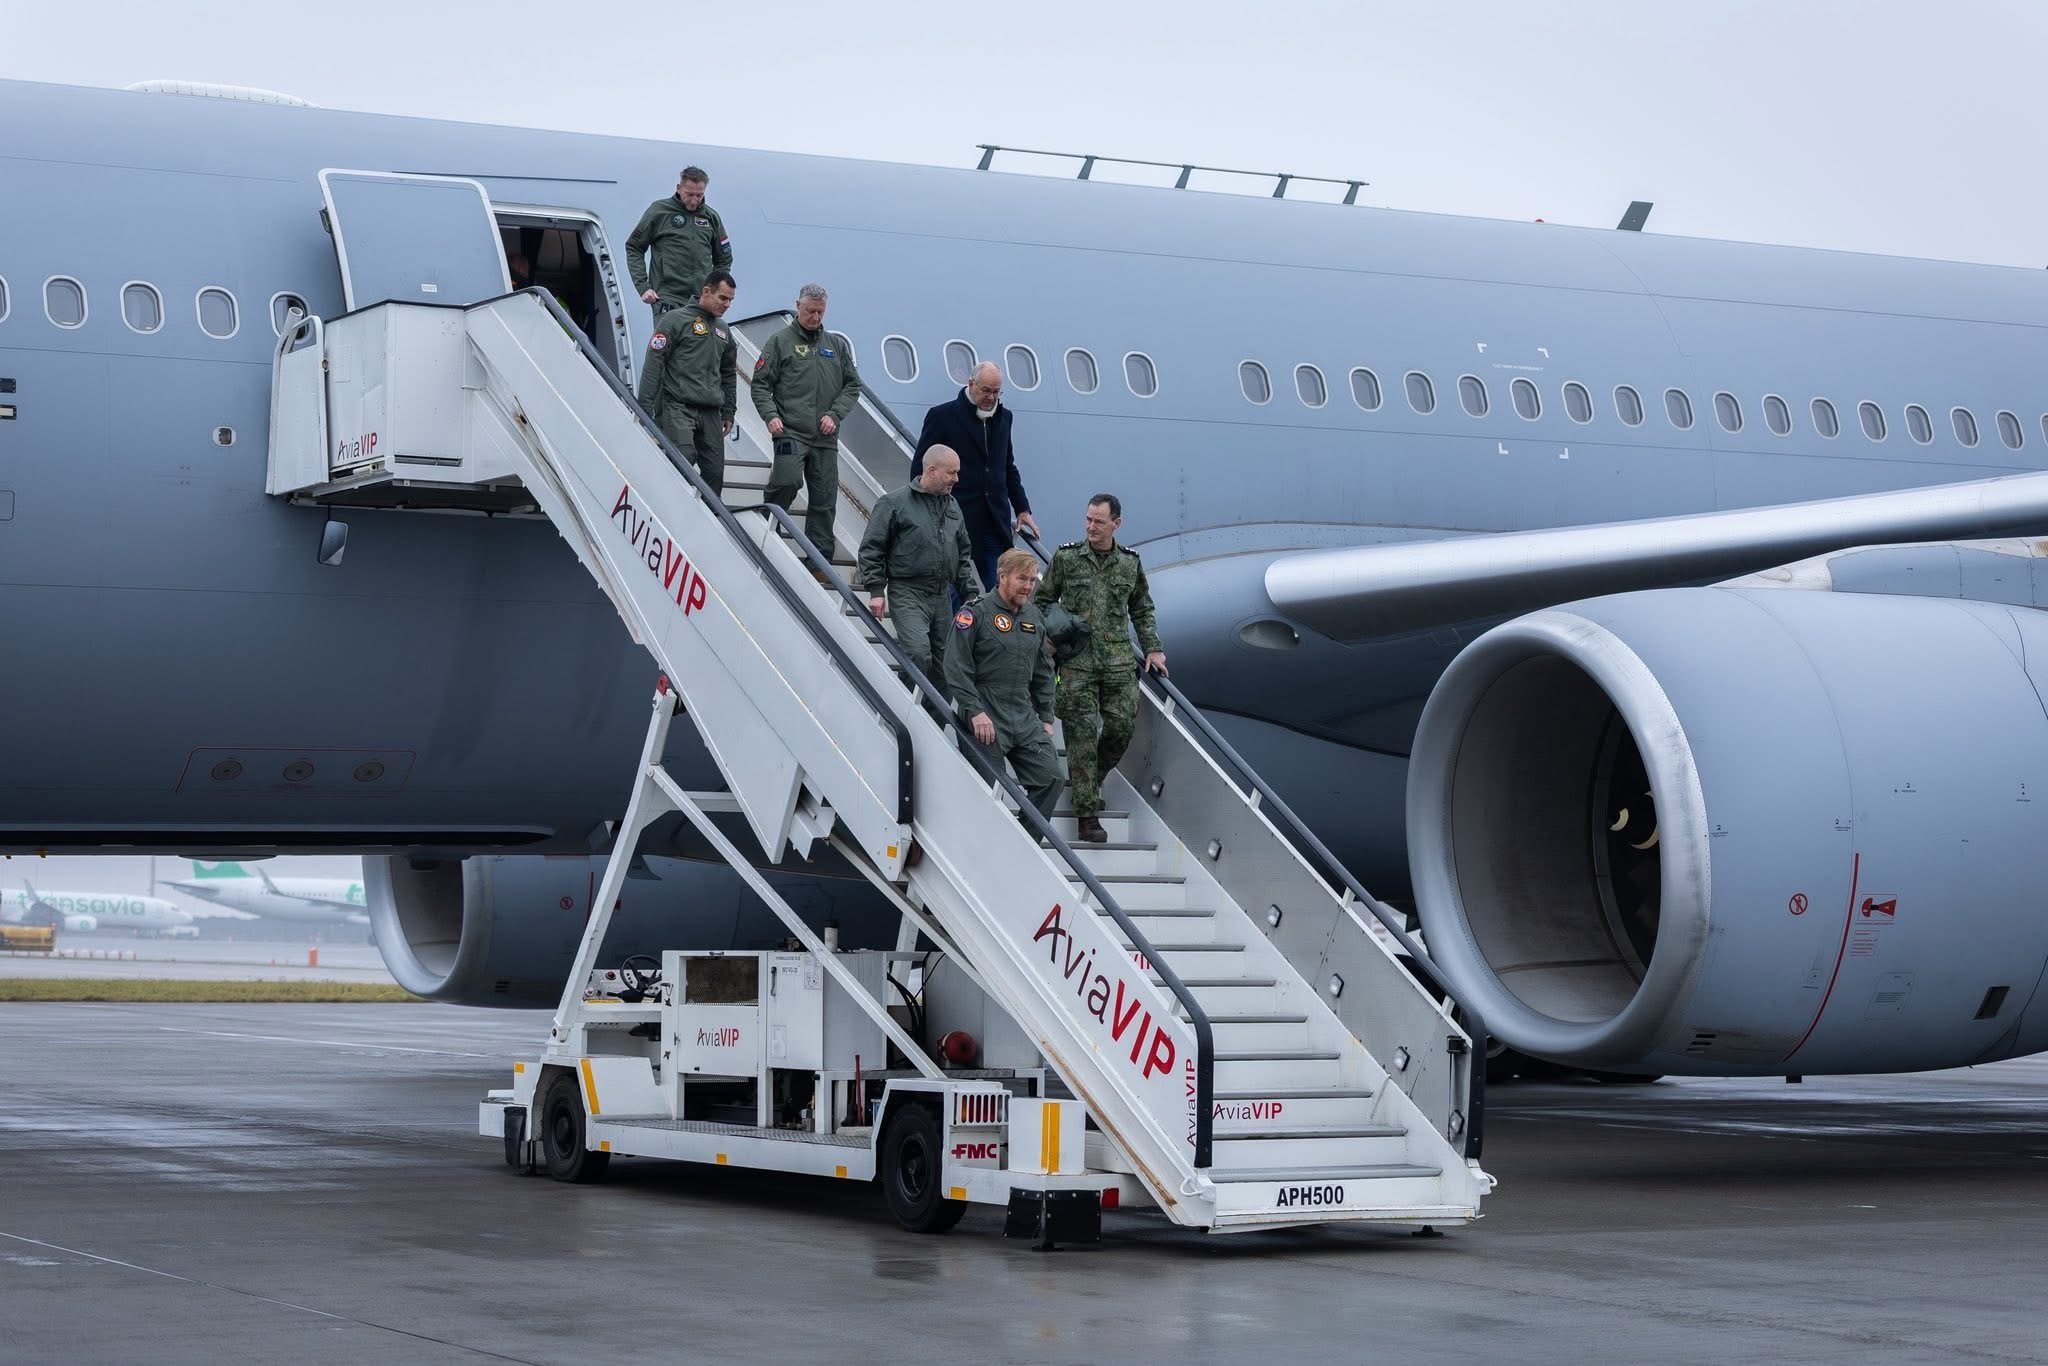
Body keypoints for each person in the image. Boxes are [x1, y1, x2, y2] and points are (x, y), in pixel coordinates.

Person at [1036, 493, 1167, 843]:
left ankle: (1088, 781)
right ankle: (1087, 816)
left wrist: (1153, 648)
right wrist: (1056, 629)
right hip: (1076, 661)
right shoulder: (1065, 559)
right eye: (1088, 520)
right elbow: (1042, 600)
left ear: (1116, 524)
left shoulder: (1129, 564)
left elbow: (1142, 608)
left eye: (1099, 521)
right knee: (1080, 737)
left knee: (1121, 728)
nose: (1091, 527)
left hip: (1118, 661)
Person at [945, 548, 1062, 819]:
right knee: (990, 788)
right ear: (1002, 576)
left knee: (1052, 778)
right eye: (1022, 579)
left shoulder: (1034, 617)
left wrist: (1045, 717)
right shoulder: (975, 613)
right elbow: (956, 667)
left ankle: (1024, 845)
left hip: (1022, 713)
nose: (1028, 587)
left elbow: (1044, 672)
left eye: (1032, 581)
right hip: (985, 709)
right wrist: (975, 712)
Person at [751, 284, 863, 561]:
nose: (815, 317)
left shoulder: (835, 346)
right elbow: (761, 385)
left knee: (824, 501)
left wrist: (835, 414)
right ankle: (764, 530)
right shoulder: (780, 342)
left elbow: (852, 385)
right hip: (790, 430)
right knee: (787, 481)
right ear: (797, 306)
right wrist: (771, 415)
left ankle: (818, 560)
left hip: (825, 438)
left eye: (820, 312)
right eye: (810, 310)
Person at [857, 446, 982, 684]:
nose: (956, 479)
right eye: (951, 473)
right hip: (907, 592)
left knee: (947, 665)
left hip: (941, 595)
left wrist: (970, 593)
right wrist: (875, 590)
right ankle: (903, 706)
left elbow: (963, 554)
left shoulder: (953, 506)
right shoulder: (894, 503)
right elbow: (872, 548)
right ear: (932, 470)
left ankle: (931, 720)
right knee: (917, 653)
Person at [911, 362, 1039, 588]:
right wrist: (923, 509)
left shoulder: (1004, 418)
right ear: (971, 384)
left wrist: (1022, 508)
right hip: (954, 519)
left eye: (996, 392)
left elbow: (1007, 466)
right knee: (952, 589)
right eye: (986, 390)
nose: (991, 397)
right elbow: (921, 466)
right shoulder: (943, 416)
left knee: (1000, 590)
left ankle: (998, 625)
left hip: (993, 520)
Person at [634, 270, 738, 496]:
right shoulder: (674, 320)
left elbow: (728, 373)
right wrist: (643, 409)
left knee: (715, 474)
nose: (727, 304)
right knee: (684, 457)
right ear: (706, 291)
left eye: (730, 300)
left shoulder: (723, 330)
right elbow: (653, 365)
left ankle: (709, 525)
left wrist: (729, 411)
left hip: (711, 411)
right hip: (678, 406)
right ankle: (666, 511)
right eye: (723, 298)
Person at [624, 167, 733, 318]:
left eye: (699, 195)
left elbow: (724, 258)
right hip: (667, 298)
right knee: (668, 341)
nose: (694, 200)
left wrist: (714, 291)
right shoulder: (659, 211)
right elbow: (634, 247)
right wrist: (643, 287)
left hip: (700, 301)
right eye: (689, 194)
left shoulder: (711, 217)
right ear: (678, 188)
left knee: (701, 341)